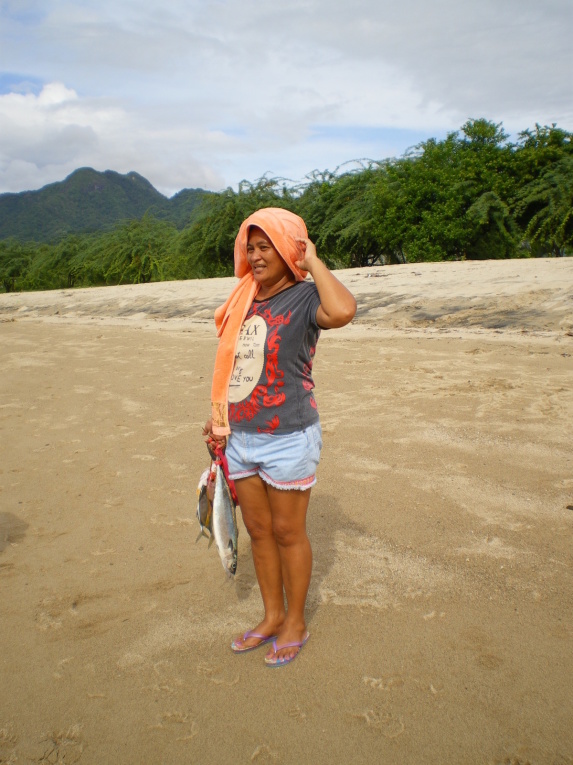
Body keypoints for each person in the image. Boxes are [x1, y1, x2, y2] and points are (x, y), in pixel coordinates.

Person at [203, 207, 356, 667]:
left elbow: (343, 310)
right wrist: (215, 420)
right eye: (249, 247)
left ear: (287, 248)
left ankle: (296, 622)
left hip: (289, 436)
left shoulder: (307, 298)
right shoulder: (243, 300)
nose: (254, 255)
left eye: (265, 245)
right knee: (258, 531)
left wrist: (312, 261)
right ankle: (272, 617)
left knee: (288, 532)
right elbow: (232, 368)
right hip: (240, 435)